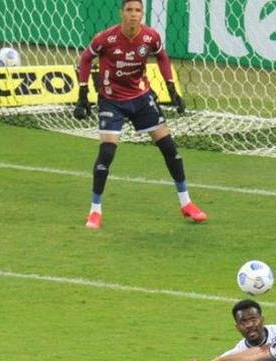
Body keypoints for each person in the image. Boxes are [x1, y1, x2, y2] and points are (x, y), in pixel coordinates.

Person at [73, 0, 207, 229]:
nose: (134, 15)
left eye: (138, 10)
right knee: (107, 153)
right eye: (129, 10)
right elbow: (86, 58)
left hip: (141, 98)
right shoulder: (106, 38)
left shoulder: (150, 37)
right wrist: (83, 93)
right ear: (121, 13)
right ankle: (95, 211)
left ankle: (187, 203)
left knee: (170, 149)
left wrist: (172, 89)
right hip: (112, 100)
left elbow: (162, 57)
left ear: (142, 14)